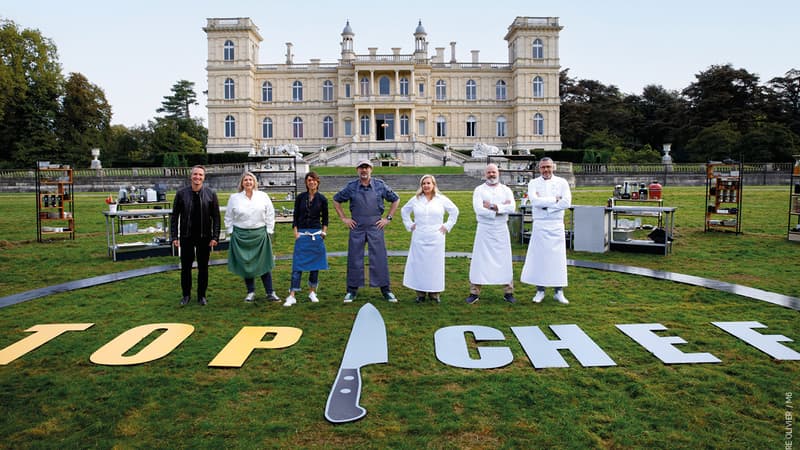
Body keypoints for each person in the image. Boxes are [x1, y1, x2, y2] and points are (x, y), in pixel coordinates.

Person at [333, 159, 400, 303]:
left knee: (379, 257)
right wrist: (344, 218)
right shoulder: (351, 187)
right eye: (361, 168)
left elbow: (395, 199)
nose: (364, 170)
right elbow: (336, 200)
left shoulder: (380, 185)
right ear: (357, 170)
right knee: (354, 258)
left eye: (366, 167)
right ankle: (352, 290)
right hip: (357, 225)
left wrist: (388, 218)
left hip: (375, 225)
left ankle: (386, 289)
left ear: (371, 169)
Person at [520, 157, 572, 304]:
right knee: (540, 259)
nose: (546, 170)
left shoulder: (562, 182)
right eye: (543, 167)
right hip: (540, 225)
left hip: (556, 224)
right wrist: (555, 200)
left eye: (548, 167)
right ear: (539, 169)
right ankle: (540, 290)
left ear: (553, 167)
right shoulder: (533, 183)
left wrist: (547, 207)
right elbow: (535, 202)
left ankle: (558, 291)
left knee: (558, 259)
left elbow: (566, 202)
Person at [400, 174, 459, 303]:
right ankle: (420, 293)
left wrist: (447, 226)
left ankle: (434, 293)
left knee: (434, 266)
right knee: (419, 265)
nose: (426, 186)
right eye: (423, 183)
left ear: (433, 185)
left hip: (436, 236)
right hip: (419, 235)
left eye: (428, 183)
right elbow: (404, 211)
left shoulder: (441, 199)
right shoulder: (416, 199)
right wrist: (410, 225)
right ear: (421, 186)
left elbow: (454, 211)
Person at [224, 171, 281, 304]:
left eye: (250, 180)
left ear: (255, 182)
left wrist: (269, 230)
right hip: (240, 235)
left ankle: (270, 292)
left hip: (260, 234)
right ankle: (250, 292)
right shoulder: (234, 198)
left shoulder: (263, 196)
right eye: (246, 180)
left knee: (264, 263)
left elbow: (270, 213)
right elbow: (228, 217)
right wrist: (231, 231)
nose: (248, 182)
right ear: (242, 183)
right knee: (246, 264)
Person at [465, 163, 517, 304]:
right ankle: (474, 292)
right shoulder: (479, 190)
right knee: (479, 260)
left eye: (493, 172)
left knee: (504, 259)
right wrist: (501, 208)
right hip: (485, 229)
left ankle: (508, 292)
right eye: (489, 172)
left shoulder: (506, 190)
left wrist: (493, 206)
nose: (491, 175)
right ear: (485, 174)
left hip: (501, 229)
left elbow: (512, 207)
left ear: (498, 173)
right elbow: (479, 209)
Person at [171, 165, 221, 306]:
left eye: (200, 175)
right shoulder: (181, 194)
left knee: (203, 268)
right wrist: (174, 237)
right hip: (186, 236)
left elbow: (216, 217)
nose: (197, 177)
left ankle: (201, 295)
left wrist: (215, 237)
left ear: (204, 177)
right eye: (195, 174)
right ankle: (186, 295)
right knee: (186, 268)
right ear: (190, 176)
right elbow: (174, 217)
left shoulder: (211, 194)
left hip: (204, 237)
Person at [283, 171, 329, 306]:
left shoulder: (322, 199)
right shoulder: (300, 198)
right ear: (306, 182)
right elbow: (295, 216)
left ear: (317, 182)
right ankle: (292, 294)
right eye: (309, 180)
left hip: (316, 234)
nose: (311, 182)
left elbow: (325, 218)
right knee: (297, 266)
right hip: (302, 234)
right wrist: (295, 232)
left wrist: (323, 233)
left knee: (315, 266)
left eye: (313, 180)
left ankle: (312, 291)